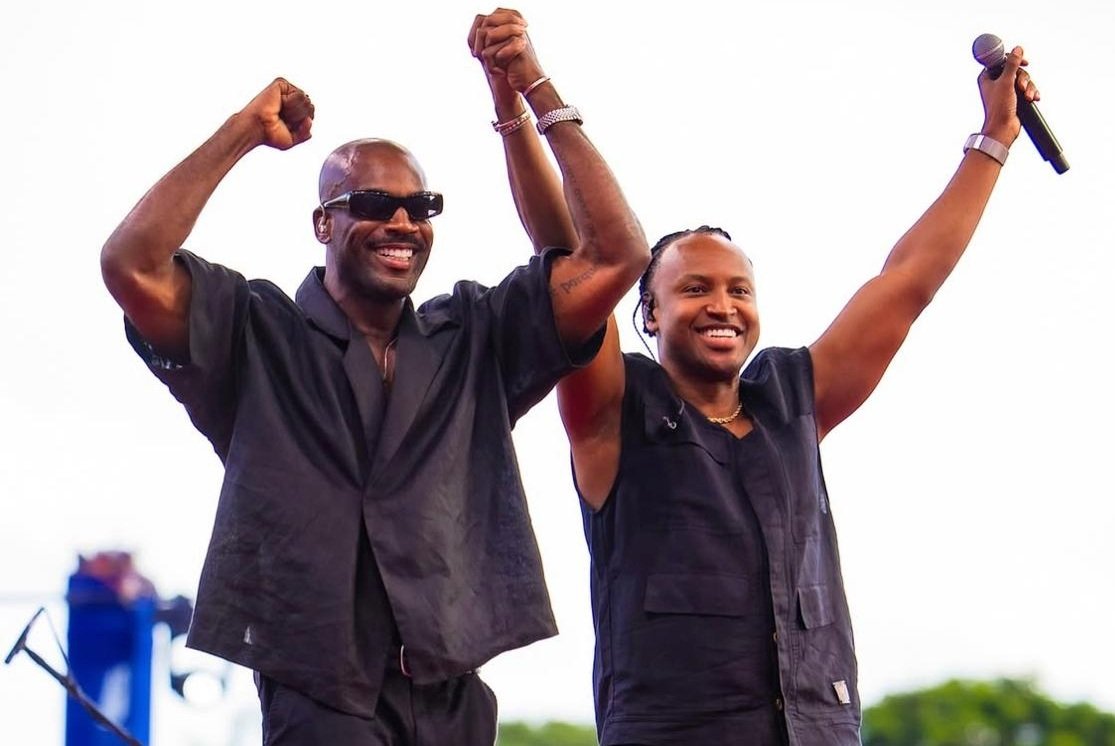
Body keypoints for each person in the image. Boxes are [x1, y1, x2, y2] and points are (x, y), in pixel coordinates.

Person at [98, 10, 648, 744]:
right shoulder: (253, 330)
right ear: (323, 223)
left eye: (420, 207)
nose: (401, 221)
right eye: (370, 204)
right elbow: (130, 263)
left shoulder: (473, 337)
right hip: (320, 692)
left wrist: (527, 94)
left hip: (451, 687)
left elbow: (614, 255)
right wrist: (243, 130)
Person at [545, 43, 1043, 746]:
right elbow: (579, 256)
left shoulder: (790, 402)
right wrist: (537, 101)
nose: (722, 305)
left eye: (738, 290)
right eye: (694, 289)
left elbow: (907, 282)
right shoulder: (615, 409)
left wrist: (992, 139)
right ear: (648, 313)